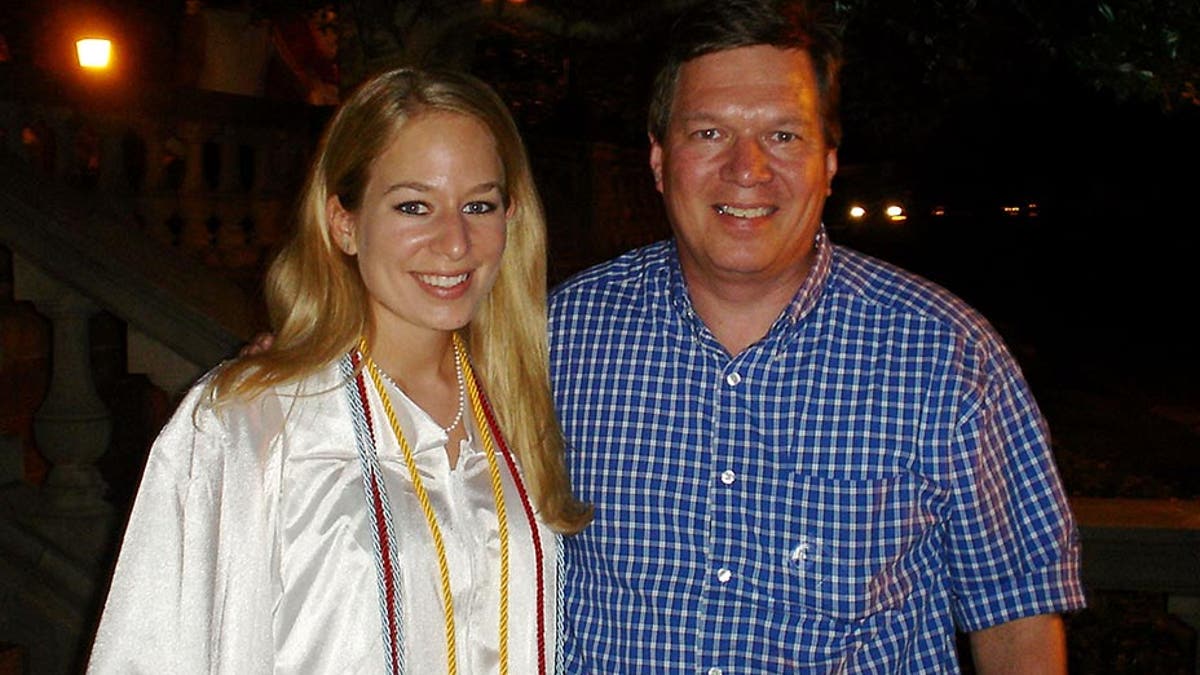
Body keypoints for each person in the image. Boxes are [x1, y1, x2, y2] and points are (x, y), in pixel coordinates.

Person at [549, 1, 1085, 672]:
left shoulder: (947, 354)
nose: (747, 169)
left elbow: (1017, 621)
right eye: (709, 132)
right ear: (659, 160)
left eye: (784, 135)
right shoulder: (558, 337)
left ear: (829, 161)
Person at [87, 66, 591, 674]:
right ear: (344, 222)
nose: (455, 242)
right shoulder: (252, 424)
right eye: (414, 206)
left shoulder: (522, 403)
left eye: (478, 204)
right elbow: (156, 652)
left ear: (512, 217)